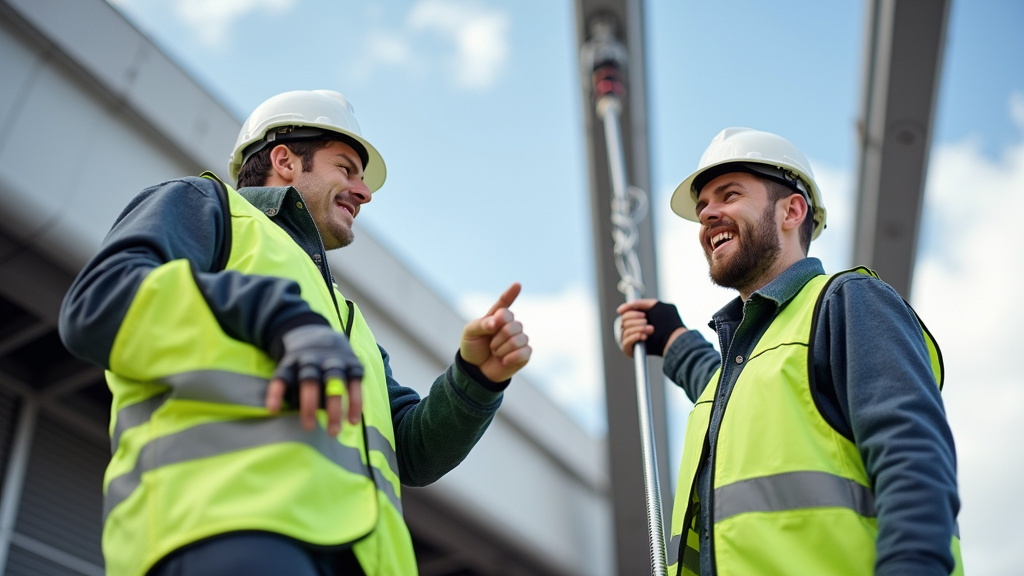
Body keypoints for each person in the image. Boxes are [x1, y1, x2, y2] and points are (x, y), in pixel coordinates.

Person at [59, 89, 532, 576]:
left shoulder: (347, 318)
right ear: (284, 160)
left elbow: (411, 452)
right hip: (227, 534)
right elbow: (101, 302)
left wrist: (477, 377)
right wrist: (281, 315)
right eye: (346, 169)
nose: (365, 192)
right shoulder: (208, 206)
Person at [616, 127, 963, 576]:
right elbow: (740, 396)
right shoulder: (751, 361)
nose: (707, 214)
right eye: (703, 207)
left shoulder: (849, 302)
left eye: (729, 194)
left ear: (792, 210)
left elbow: (913, 460)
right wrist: (673, 339)